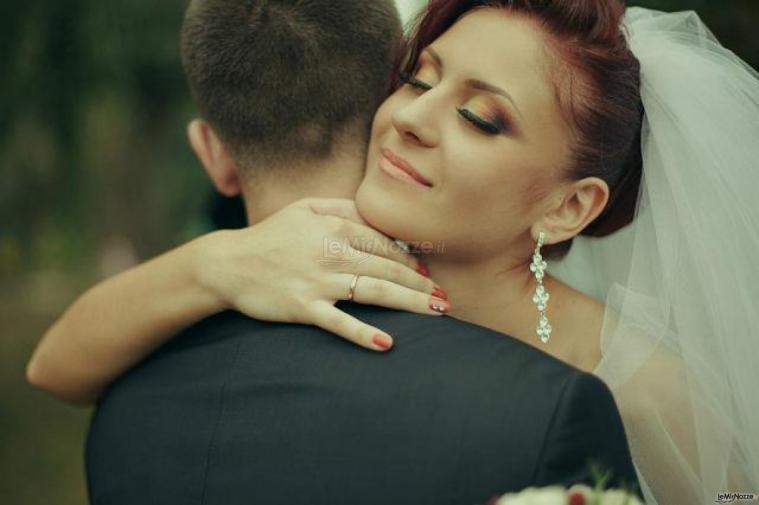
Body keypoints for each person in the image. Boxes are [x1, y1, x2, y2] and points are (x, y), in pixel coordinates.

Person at [28, 0, 759, 503]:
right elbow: (57, 362)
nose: (410, 117)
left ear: (568, 207)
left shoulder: (650, 388)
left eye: (480, 117)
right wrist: (221, 259)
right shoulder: (312, 270)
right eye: (419, 77)